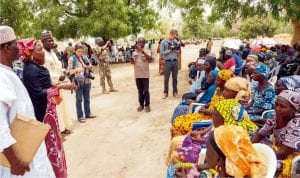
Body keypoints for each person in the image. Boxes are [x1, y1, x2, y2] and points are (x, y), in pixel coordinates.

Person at [0, 26, 55, 177]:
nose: (19, 48)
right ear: (6, 48)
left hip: (26, 149)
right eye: (16, 44)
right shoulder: (1, 77)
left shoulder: (7, 72)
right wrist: (13, 161)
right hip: (17, 161)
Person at [21, 38, 75, 178]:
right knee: (50, 146)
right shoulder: (30, 70)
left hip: (49, 111)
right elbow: (38, 94)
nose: (43, 53)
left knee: (55, 144)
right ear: (30, 53)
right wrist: (60, 87)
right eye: (39, 50)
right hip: (43, 115)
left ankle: (61, 172)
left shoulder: (35, 66)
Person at [170, 70, 234, 137]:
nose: (216, 81)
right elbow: (212, 102)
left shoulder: (227, 95)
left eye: (218, 80)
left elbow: (221, 114)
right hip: (204, 114)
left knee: (179, 125)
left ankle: (181, 143)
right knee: (178, 119)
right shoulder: (217, 89)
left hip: (212, 119)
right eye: (216, 79)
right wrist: (205, 106)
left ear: (225, 82)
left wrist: (207, 111)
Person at [252, 90, 300, 177]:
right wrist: (249, 147)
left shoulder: (297, 124)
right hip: (278, 148)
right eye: (276, 104)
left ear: (293, 108)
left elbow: (282, 154)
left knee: (264, 168)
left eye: (282, 106)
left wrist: (256, 157)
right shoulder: (276, 115)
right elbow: (260, 134)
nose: (277, 108)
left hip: (291, 155)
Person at [41, 31, 75, 134]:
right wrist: (58, 77)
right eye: (49, 40)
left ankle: (64, 127)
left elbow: (57, 66)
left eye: (52, 39)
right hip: (52, 85)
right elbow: (45, 72)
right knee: (56, 108)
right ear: (43, 41)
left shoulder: (52, 52)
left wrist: (63, 71)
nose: (51, 42)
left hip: (60, 84)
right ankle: (59, 129)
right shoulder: (42, 54)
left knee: (62, 106)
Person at [68, 43, 96, 123]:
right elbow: (69, 72)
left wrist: (90, 67)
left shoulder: (84, 57)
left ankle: (88, 113)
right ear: (75, 51)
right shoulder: (72, 59)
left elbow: (89, 66)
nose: (80, 53)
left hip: (87, 80)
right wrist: (78, 69)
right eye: (79, 51)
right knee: (79, 99)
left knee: (87, 98)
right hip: (78, 81)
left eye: (81, 51)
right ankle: (80, 116)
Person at [131, 38, 153, 112]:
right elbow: (133, 63)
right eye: (138, 42)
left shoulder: (147, 51)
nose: (140, 44)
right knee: (140, 91)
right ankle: (141, 105)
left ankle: (147, 105)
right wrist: (132, 60)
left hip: (145, 74)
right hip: (137, 74)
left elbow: (150, 59)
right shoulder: (134, 52)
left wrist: (142, 51)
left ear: (144, 43)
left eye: (141, 42)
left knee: (146, 91)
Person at [160, 29, 180, 98]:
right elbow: (162, 53)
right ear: (170, 35)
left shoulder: (175, 42)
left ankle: (175, 92)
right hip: (167, 62)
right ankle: (165, 93)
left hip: (175, 61)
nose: (174, 38)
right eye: (174, 36)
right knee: (166, 78)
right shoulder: (163, 42)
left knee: (175, 78)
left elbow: (178, 51)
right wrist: (169, 50)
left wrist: (175, 50)